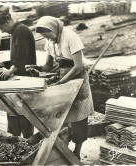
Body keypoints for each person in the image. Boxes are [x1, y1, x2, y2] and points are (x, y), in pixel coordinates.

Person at [26, 16, 94, 160]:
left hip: (78, 79)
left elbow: (78, 66)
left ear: (54, 28)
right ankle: (63, 148)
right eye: (45, 36)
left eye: (49, 34)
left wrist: (61, 82)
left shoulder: (70, 36)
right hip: (64, 79)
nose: (48, 38)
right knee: (60, 116)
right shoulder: (49, 41)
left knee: (79, 118)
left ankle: (77, 151)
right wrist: (37, 68)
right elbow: (48, 66)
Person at [0, 11, 36, 139]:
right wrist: (3, 64)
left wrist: (10, 71)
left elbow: (22, 56)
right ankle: (15, 138)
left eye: (1, 28)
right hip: (19, 77)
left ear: (7, 23)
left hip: (25, 78)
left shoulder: (21, 30)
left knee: (24, 111)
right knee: (14, 110)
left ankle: (27, 140)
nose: (2, 31)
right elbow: (16, 58)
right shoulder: (15, 32)